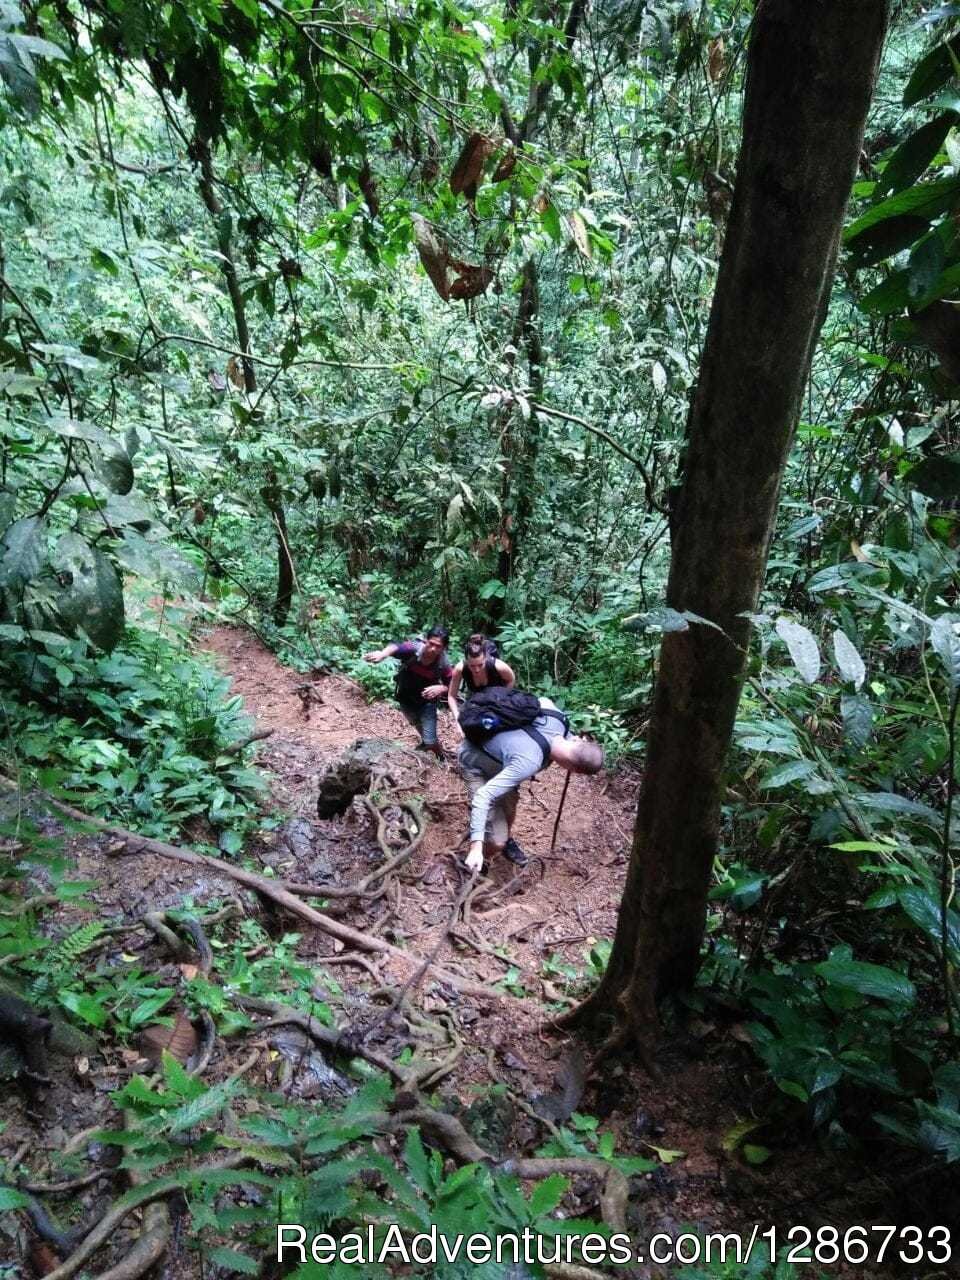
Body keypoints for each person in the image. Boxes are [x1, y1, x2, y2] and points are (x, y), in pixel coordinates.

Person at [459, 694, 603, 871]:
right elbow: (483, 795)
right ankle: (479, 861)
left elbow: (532, 700)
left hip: (504, 766)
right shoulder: (530, 761)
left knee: (509, 810)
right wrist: (476, 847)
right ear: (574, 771)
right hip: (476, 765)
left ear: (577, 739)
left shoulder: (556, 717)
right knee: (497, 841)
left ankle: (501, 840)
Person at [363, 626, 452, 758]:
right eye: (431, 643)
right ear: (426, 640)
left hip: (427, 702)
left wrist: (442, 688)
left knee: (430, 739)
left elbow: (452, 686)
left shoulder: (443, 664)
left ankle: (440, 756)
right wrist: (383, 654)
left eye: (438, 646)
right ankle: (428, 744)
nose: (433, 648)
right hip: (405, 697)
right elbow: (396, 647)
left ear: (444, 648)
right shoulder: (415, 648)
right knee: (417, 724)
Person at [447, 634, 516, 737]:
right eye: (472, 666)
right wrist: (457, 720)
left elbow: (511, 679)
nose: (477, 670)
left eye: (480, 665)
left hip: (496, 697)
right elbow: (451, 696)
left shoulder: (498, 666)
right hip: (475, 698)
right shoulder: (460, 669)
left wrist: (502, 698)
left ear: (485, 658)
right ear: (466, 661)